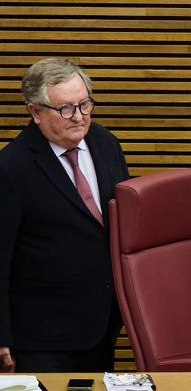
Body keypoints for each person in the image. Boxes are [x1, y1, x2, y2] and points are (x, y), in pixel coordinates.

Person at [0, 58, 131, 373]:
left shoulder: (105, 143)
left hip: (103, 324)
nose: (79, 117)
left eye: (85, 105)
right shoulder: (10, 168)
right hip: (41, 337)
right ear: (35, 112)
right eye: (66, 109)